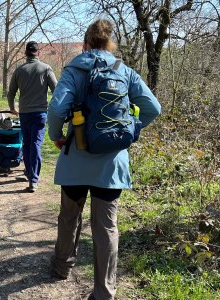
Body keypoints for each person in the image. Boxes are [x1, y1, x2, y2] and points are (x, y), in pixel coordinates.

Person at [47, 19, 161, 300]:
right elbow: (152, 108)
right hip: (111, 164)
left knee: (69, 217)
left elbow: (56, 108)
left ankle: (62, 266)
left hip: (76, 159)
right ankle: (104, 292)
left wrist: (57, 135)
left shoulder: (74, 70)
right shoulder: (124, 71)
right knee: (106, 227)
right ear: (110, 44)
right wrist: (131, 128)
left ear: (85, 44)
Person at [7, 41, 58, 192]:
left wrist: (12, 108)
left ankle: (30, 173)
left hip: (24, 113)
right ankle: (33, 179)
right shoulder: (46, 69)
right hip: (40, 113)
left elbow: (11, 93)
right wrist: (55, 107)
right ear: (38, 53)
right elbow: (57, 90)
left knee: (28, 143)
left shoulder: (19, 70)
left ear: (25, 53)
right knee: (35, 144)